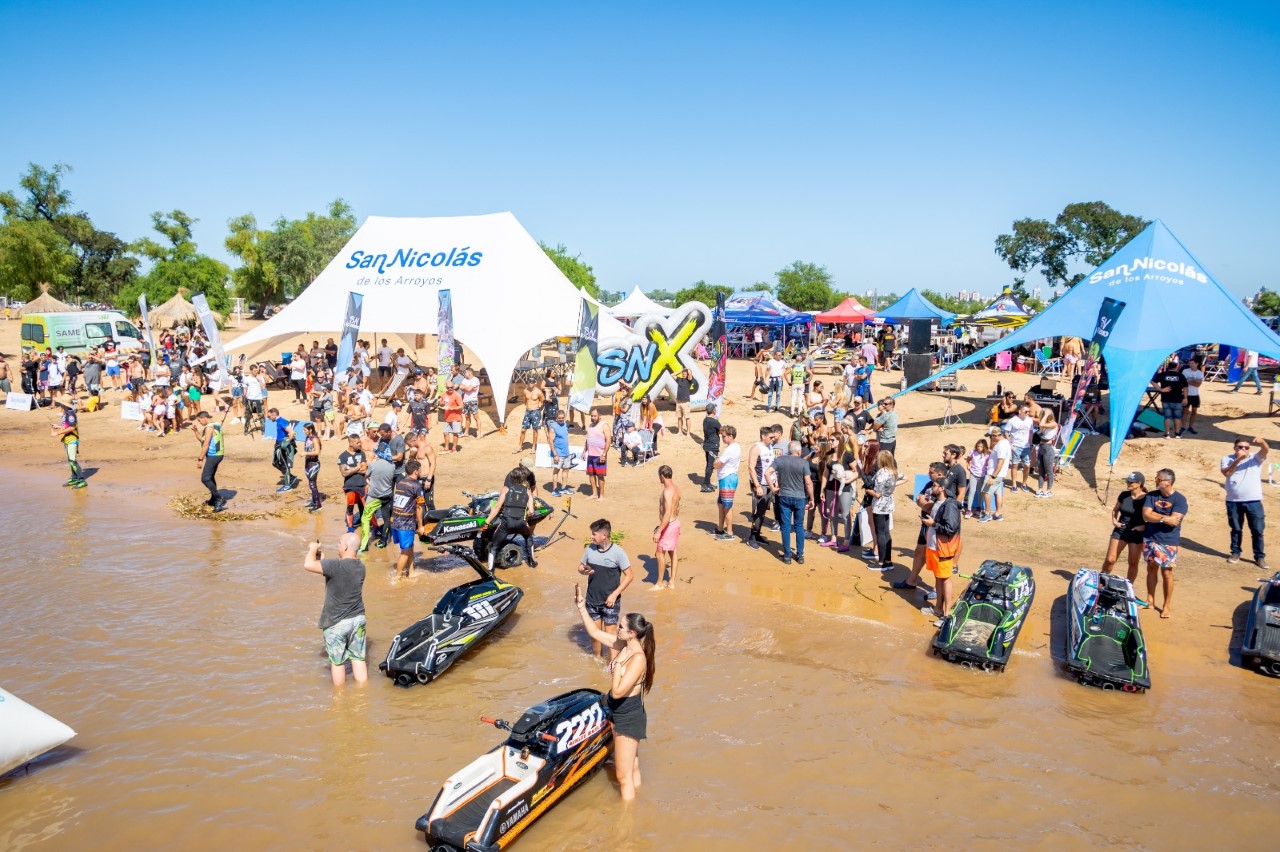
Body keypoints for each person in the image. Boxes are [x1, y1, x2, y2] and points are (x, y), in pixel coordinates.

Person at [572, 592, 654, 803]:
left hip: (628, 716)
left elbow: (618, 691)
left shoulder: (637, 659)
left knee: (622, 776)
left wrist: (616, 666)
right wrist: (581, 607)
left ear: (632, 633)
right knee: (632, 765)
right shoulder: (622, 645)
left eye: (620, 628)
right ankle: (639, 804)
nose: (616, 630)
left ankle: (625, 825)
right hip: (618, 711)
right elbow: (594, 631)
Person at [576, 518, 633, 662]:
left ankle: (612, 663)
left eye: (594, 534)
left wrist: (614, 595)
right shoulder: (590, 549)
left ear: (604, 536)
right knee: (594, 634)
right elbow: (580, 567)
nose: (591, 536)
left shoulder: (618, 552)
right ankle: (597, 660)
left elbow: (630, 576)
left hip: (610, 601)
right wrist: (583, 571)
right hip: (592, 599)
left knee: (611, 636)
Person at [1141, 468, 1188, 618]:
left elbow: (1174, 521)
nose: (1156, 480)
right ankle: (1150, 600)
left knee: (1167, 572)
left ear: (1168, 482)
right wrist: (1164, 518)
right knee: (1151, 568)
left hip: (1168, 540)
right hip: (1150, 537)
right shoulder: (1151, 496)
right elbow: (1146, 515)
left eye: (1159, 479)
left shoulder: (1179, 500)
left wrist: (1158, 516)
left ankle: (1166, 605)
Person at [920, 481, 963, 625]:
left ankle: (946, 615)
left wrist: (933, 524)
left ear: (942, 488)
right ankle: (938, 608)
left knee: (945, 579)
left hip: (944, 549)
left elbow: (950, 529)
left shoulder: (950, 506)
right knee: (938, 578)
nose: (932, 488)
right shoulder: (938, 503)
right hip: (934, 547)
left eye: (934, 485)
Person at [1222, 437, 1268, 569]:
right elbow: (1227, 473)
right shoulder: (1227, 458)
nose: (1243, 449)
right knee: (1236, 529)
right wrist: (1238, 460)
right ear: (1234, 448)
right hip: (1233, 501)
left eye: (1246, 447)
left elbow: (1266, 450)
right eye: (1240, 447)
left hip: (1254, 501)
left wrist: (1263, 442)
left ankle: (1259, 557)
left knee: (1257, 530)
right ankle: (1235, 553)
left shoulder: (1255, 458)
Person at [483, 466, 539, 569]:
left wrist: (486, 522)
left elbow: (497, 507)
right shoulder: (527, 491)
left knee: (493, 546)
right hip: (521, 523)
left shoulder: (506, 489)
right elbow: (531, 511)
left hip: (506, 523)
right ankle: (532, 562)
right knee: (528, 537)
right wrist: (524, 518)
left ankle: (490, 571)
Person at [1101, 472, 1148, 583]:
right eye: (1127, 481)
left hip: (1136, 533)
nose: (1128, 483)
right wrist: (1114, 521)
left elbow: (1152, 515)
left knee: (1132, 563)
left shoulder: (1147, 498)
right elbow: (1115, 510)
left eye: (1130, 482)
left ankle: (1128, 586)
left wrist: (1144, 526)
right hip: (1120, 530)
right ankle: (1102, 580)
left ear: (1139, 483)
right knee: (1110, 559)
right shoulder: (1124, 495)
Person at [773, 440, 812, 564]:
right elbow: (808, 482)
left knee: (785, 526)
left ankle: (787, 555)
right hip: (799, 497)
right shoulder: (803, 463)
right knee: (799, 526)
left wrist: (773, 488)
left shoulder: (780, 460)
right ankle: (800, 555)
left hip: (784, 495)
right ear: (799, 451)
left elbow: (768, 473)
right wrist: (812, 498)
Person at [390, 459, 427, 578]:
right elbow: (419, 507)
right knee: (405, 552)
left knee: (410, 548)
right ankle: (397, 577)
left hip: (395, 521)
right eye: (420, 470)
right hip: (406, 524)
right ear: (416, 472)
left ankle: (411, 573)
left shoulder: (400, 482)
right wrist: (421, 526)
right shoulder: (417, 486)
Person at [746, 425, 780, 550]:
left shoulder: (769, 446)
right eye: (771, 437)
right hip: (760, 484)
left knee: (764, 510)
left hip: (770, 483)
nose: (773, 439)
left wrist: (775, 481)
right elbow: (751, 468)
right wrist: (757, 485)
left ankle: (757, 534)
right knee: (758, 511)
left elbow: (772, 465)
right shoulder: (756, 448)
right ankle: (752, 537)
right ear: (763, 436)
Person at [360, 438, 395, 552]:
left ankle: (364, 545)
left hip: (374, 496)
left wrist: (370, 482)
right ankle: (383, 542)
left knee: (365, 518)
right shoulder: (392, 466)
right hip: (388, 496)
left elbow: (365, 476)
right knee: (387, 520)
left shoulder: (373, 465)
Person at [865, 450, 897, 570]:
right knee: (886, 532)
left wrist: (868, 490)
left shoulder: (882, 473)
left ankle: (882, 561)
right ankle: (887, 560)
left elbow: (877, 494)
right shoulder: (892, 471)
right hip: (888, 504)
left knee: (880, 533)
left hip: (880, 505)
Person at [652, 465, 682, 588]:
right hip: (675, 523)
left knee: (659, 554)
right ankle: (672, 582)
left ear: (662, 476)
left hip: (668, 525)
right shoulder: (677, 488)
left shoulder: (667, 491)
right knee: (673, 551)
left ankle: (659, 583)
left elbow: (668, 512)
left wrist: (659, 530)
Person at [193, 410, 225, 511]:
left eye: (199, 420)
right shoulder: (216, 424)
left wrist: (200, 459)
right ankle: (213, 499)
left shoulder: (209, 428)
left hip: (214, 455)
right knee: (210, 477)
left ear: (204, 418)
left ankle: (219, 498)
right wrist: (196, 431)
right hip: (218, 454)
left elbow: (206, 444)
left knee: (205, 478)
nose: (199, 423)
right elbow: (203, 440)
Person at [713, 424, 740, 541]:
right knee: (721, 504)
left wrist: (716, 462)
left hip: (727, 479)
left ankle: (729, 532)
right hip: (727, 478)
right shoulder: (735, 447)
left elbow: (717, 465)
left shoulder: (730, 449)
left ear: (730, 436)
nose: (722, 438)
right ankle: (720, 528)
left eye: (724, 436)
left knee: (727, 506)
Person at [979, 425, 1011, 522]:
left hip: (994, 474)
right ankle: (998, 514)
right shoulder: (1003, 443)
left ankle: (987, 513)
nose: (990, 438)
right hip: (999, 474)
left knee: (986, 492)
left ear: (995, 436)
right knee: (998, 493)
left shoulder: (1001, 445)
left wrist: (993, 476)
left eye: (990, 436)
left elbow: (1000, 461)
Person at [52, 401, 86, 488]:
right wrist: (58, 427)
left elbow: (71, 428)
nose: (60, 405)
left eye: (61, 404)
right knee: (70, 460)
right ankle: (74, 478)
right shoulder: (66, 413)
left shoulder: (70, 414)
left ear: (65, 405)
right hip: (67, 440)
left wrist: (58, 433)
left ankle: (81, 480)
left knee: (72, 460)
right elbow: (67, 426)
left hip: (72, 440)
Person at [337, 433, 368, 532]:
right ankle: (350, 528)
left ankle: (366, 525)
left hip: (362, 484)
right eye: (357, 442)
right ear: (351, 443)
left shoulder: (361, 453)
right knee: (350, 507)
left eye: (360, 442)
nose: (360, 444)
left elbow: (364, 470)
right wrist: (357, 467)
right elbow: (344, 474)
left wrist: (351, 469)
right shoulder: (342, 456)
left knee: (365, 507)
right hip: (350, 486)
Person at [1154, 357, 1188, 440]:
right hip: (1177, 399)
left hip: (1166, 398)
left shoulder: (1163, 374)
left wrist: (1161, 389)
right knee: (1177, 417)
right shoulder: (1180, 376)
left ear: (1168, 367)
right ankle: (1177, 434)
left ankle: (1167, 434)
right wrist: (1185, 398)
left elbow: (1153, 381)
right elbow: (1185, 388)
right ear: (1176, 366)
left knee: (1167, 417)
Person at [1004, 404, 1035, 491]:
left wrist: (1031, 443)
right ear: (1020, 411)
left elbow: (1031, 432)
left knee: (1027, 465)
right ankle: (1014, 484)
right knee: (1015, 465)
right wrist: (1010, 444)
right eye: (1026, 412)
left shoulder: (1029, 420)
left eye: (1029, 412)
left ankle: (1024, 483)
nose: (1028, 413)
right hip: (1016, 445)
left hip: (1026, 446)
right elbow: (1006, 432)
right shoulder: (1012, 421)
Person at [267, 408, 299, 492]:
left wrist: (287, 443)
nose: (269, 418)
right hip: (278, 445)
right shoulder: (279, 422)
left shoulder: (282, 421)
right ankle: (291, 477)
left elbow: (291, 432)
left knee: (284, 464)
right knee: (275, 463)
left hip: (282, 446)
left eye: (270, 416)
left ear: (274, 415)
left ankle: (288, 485)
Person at [548, 409, 574, 496]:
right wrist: (555, 454)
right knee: (556, 471)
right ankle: (554, 489)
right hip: (558, 454)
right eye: (559, 418)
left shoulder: (565, 425)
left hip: (566, 452)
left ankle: (563, 488)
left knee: (566, 470)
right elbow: (550, 441)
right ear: (556, 418)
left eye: (562, 418)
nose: (561, 419)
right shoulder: (553, 427)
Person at [1034, 409, 1059, 498]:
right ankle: (1040, 489)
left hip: (1048, 449)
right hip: (1041, 448)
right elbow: (1040, 431)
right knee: (1041, 470)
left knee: (1049, 471)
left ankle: (1049, 490)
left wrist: (1046, 414)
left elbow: (1041, 424)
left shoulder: (1053, 424)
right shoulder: (1045, 425)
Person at [585, 409, 609, 500]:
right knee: (591, 475)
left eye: (595, 416)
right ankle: (594, 493)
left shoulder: (604, 425)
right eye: (592, 416)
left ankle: (601, 495)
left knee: (600, 475)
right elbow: (588, 439)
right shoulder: (590, 425)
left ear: (599, 416)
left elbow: (608, 441)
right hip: (591, 454)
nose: (593, 417)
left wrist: (604, 454)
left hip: (600, 455)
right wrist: (584, 451)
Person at [515, 380, 545, 452]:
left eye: (532, 382)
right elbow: (525, 401)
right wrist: (528, 407)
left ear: (535, 382)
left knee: (535, 430)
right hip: (528, 412)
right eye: (529, 382)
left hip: (536, 411)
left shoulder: (539, 392)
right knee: (523, 430)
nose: (530, 383)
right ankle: (520, 446)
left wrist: (539, 410)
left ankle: (533, 446)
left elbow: (543, 402)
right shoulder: (525, 391)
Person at [963, 439, 990, 518]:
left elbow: (988, 463)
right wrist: (968, 466)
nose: (979, 448)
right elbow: (968, 460)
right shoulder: (972, 452)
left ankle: (979, 508)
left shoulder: (987, 454)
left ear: (984, 447)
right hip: (973, 474)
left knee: (980, 492)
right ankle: (968, 510)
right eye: (978, 446)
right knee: (971, 491)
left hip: (982, 475)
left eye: (981, 446)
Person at [699, 403, 721, 492]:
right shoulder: (714, 421)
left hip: (708, 445)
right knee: (710, 465)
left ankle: (708, 483)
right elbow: (721, 430)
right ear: (713, 410)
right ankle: (705, 484)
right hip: (712, 446)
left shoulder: (706, 420)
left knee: (709, 465)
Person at [302, 423, 323, 512]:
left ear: (310, 430)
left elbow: (317, 452)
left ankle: (318, 504)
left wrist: (305, 453)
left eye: (305, 430)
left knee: (312, 484)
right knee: (311, 484)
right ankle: (314, 501)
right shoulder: (307, 438)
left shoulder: (315, 439)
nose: (304, 432)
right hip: (308, 463)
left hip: (314, 464)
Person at [1181, 357, 1204, 435]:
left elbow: (1199, 384)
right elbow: (1184, 382)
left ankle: (1190, 427)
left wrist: (1189, 381)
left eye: (1192, 363)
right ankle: (1183, 427)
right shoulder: (1185, 371)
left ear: (1197, 364)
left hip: (1195, 395)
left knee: (1194, 411)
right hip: (1186, 394)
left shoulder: (1200, 373)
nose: (1190, 365)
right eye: (1190, 363)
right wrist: (1194, 381)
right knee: (1185, 411)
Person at [440, 382, 463, 453]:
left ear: (453, 387)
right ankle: (446, 448)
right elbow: (441, 403)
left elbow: (461, 406)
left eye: (451, 387)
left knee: (455, 433)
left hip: (456, 417)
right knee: (445, 432)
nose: (450, 389)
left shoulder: (457, 395)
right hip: (447, 417)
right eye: (448, 387)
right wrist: (442, 403)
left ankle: (454, 448)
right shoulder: (444, 394)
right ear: (446, 388)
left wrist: (452, 408)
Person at [460, 366, 481, 438]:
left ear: (469, 373)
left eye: (465, 372)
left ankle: (479, 433)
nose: (464, 374)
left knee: (476, 417)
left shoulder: (475, 380)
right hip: (465, 400)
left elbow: (469, 389)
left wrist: (466, 387)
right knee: (467, 417)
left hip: (472, 400)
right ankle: (466, 432)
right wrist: (467, 387)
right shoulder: (465, 379)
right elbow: (461, 386)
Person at [674, 369, 693, 435]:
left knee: (687, 418)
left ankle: (688, 433)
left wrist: (687, 369)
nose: (684, 375)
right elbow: (672, 375)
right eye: (683, 374)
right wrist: (680, 371)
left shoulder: (689, 380)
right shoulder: (679, 379)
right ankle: (680, 431)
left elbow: (690, 374)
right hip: (678, 401)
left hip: (685, 402)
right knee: (679, 417)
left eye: (685, 374)